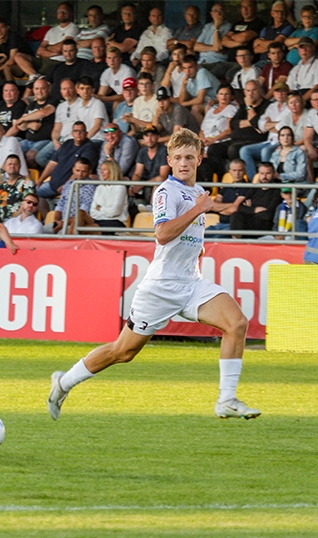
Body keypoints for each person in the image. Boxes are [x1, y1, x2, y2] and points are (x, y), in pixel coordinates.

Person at [47, 128, 260, 421]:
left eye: (189, 157)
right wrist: (197, 211)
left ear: (199, 159)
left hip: (191, 282)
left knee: (236, 323)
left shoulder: (198, 193)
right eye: (177, 158)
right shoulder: (166, 191)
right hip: (161, 286)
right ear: (170, 162)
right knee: (123, 352)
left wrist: (196, 248)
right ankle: (64, 382)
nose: (184, 162)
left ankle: (227, 399)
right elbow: (161, 234)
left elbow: (185, 233)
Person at [229, 162, 282, 236]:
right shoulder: (254, 189)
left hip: (264, 225)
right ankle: (235, 244)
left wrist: (249, 209)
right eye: (262, 173)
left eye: (268, 173)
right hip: (249, 222)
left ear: (274, 174)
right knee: (236, 215)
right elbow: (240, 208)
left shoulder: (277, 191)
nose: (264, 176)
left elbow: (268, 215)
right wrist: (255, 209)